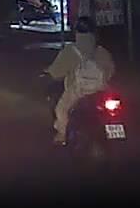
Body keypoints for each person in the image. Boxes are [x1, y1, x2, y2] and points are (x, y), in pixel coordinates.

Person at [43, 17, 116, 145]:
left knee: (61, 109)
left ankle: (62, 135)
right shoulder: (101, 51)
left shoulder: (71, 51)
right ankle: (116, 133)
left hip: (78, 90)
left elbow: (56, 71)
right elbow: (111, 70)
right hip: (101, 90)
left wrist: (48, 73)